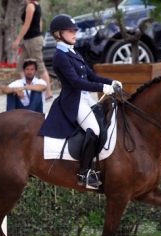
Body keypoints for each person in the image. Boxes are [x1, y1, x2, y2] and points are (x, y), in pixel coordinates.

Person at [38, 14, 122, 190]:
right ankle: (84, 173)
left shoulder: (73, 52)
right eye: (71, 31)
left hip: (85, 98)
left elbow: (91, 76)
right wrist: (101, 87)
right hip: (73, 101)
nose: (75, 33)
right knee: (95, 129)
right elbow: (75, 82)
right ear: (59, 34)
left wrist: (110, 82)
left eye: (75, 30)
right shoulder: (60, 56)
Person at [12, 0, 53, 100]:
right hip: (30, 40)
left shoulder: (30, 6)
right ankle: (24, 90)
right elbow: (40, 22)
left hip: (33, 40)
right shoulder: (36, 5)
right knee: (21, 65)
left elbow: (26, 25)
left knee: (39, 65)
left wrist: (17, 40)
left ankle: (48, 93)